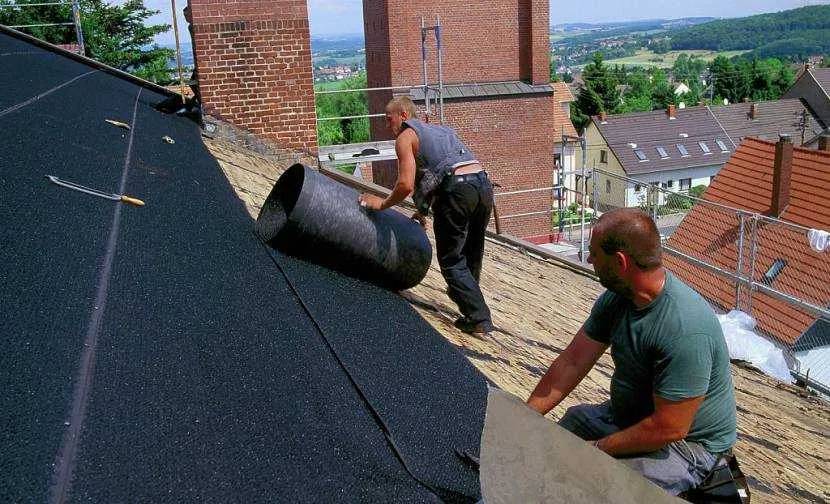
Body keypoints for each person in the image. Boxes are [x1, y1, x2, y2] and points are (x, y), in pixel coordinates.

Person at [526, 208, 737, 496]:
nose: (589, 259)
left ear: (620, 262)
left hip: (688, 446)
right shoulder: (616, 300)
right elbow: (572, 362)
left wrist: (597, 450)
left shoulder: (684, 328)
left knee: (602, 485)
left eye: (595, 253)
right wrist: (523, 418)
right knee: (570, 426)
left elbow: (670, 428)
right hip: (630, 418)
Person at [359, 96, 494, 336]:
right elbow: (437, 171)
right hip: (482, 185)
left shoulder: (405, 136)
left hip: (457, 190)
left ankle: (478, 317)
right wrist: (422, 211)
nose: (387, 125)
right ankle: (467, 300)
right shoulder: (440, 130)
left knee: (451, 259)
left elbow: (405, 185)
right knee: (472, 250)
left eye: (388, 119)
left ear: (403, 115)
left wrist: (381, 204)